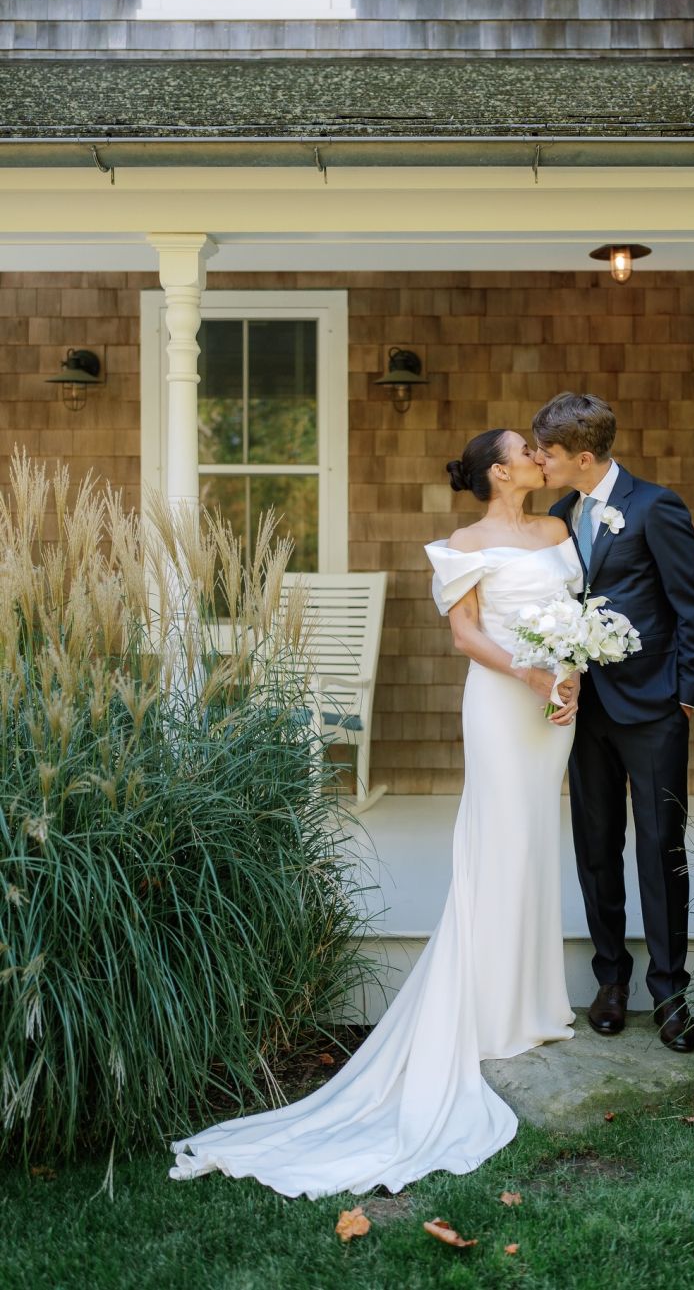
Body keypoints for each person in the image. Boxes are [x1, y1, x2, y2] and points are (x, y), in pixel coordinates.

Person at [168, 429, 582, 1199]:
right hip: (501, 699)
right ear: (499, 470)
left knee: (535, 841)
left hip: (554, 705)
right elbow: (465, 633)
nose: (540, 453)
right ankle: (490, 1008)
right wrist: (527, 674)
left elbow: (575, 613)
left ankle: (536, 1001)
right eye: (528, 447)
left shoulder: (561, 528)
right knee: (499, 840)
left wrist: (569, 676)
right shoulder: (466, 542)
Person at [533, 393, 694, 1052]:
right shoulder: (559, 514)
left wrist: (687, 693)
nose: (538, 462)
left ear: (583, 457)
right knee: (596, 847)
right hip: (585, 713)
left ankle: (670, 992)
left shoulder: (654, 507)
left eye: (547, 454)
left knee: (661, 847)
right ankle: (611, 981)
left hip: (654, 707)